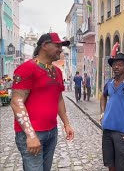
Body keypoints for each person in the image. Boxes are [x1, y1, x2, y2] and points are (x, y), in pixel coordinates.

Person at [10, 32, 75, 171]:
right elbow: (16, 102)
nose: (60, 49)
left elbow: (58, 98)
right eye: (57, 45)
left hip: (51, 132)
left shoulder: (57, 71)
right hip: (32, 134)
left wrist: (66, 124)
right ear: (44, 45)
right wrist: (31, 135)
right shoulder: (26, 69)